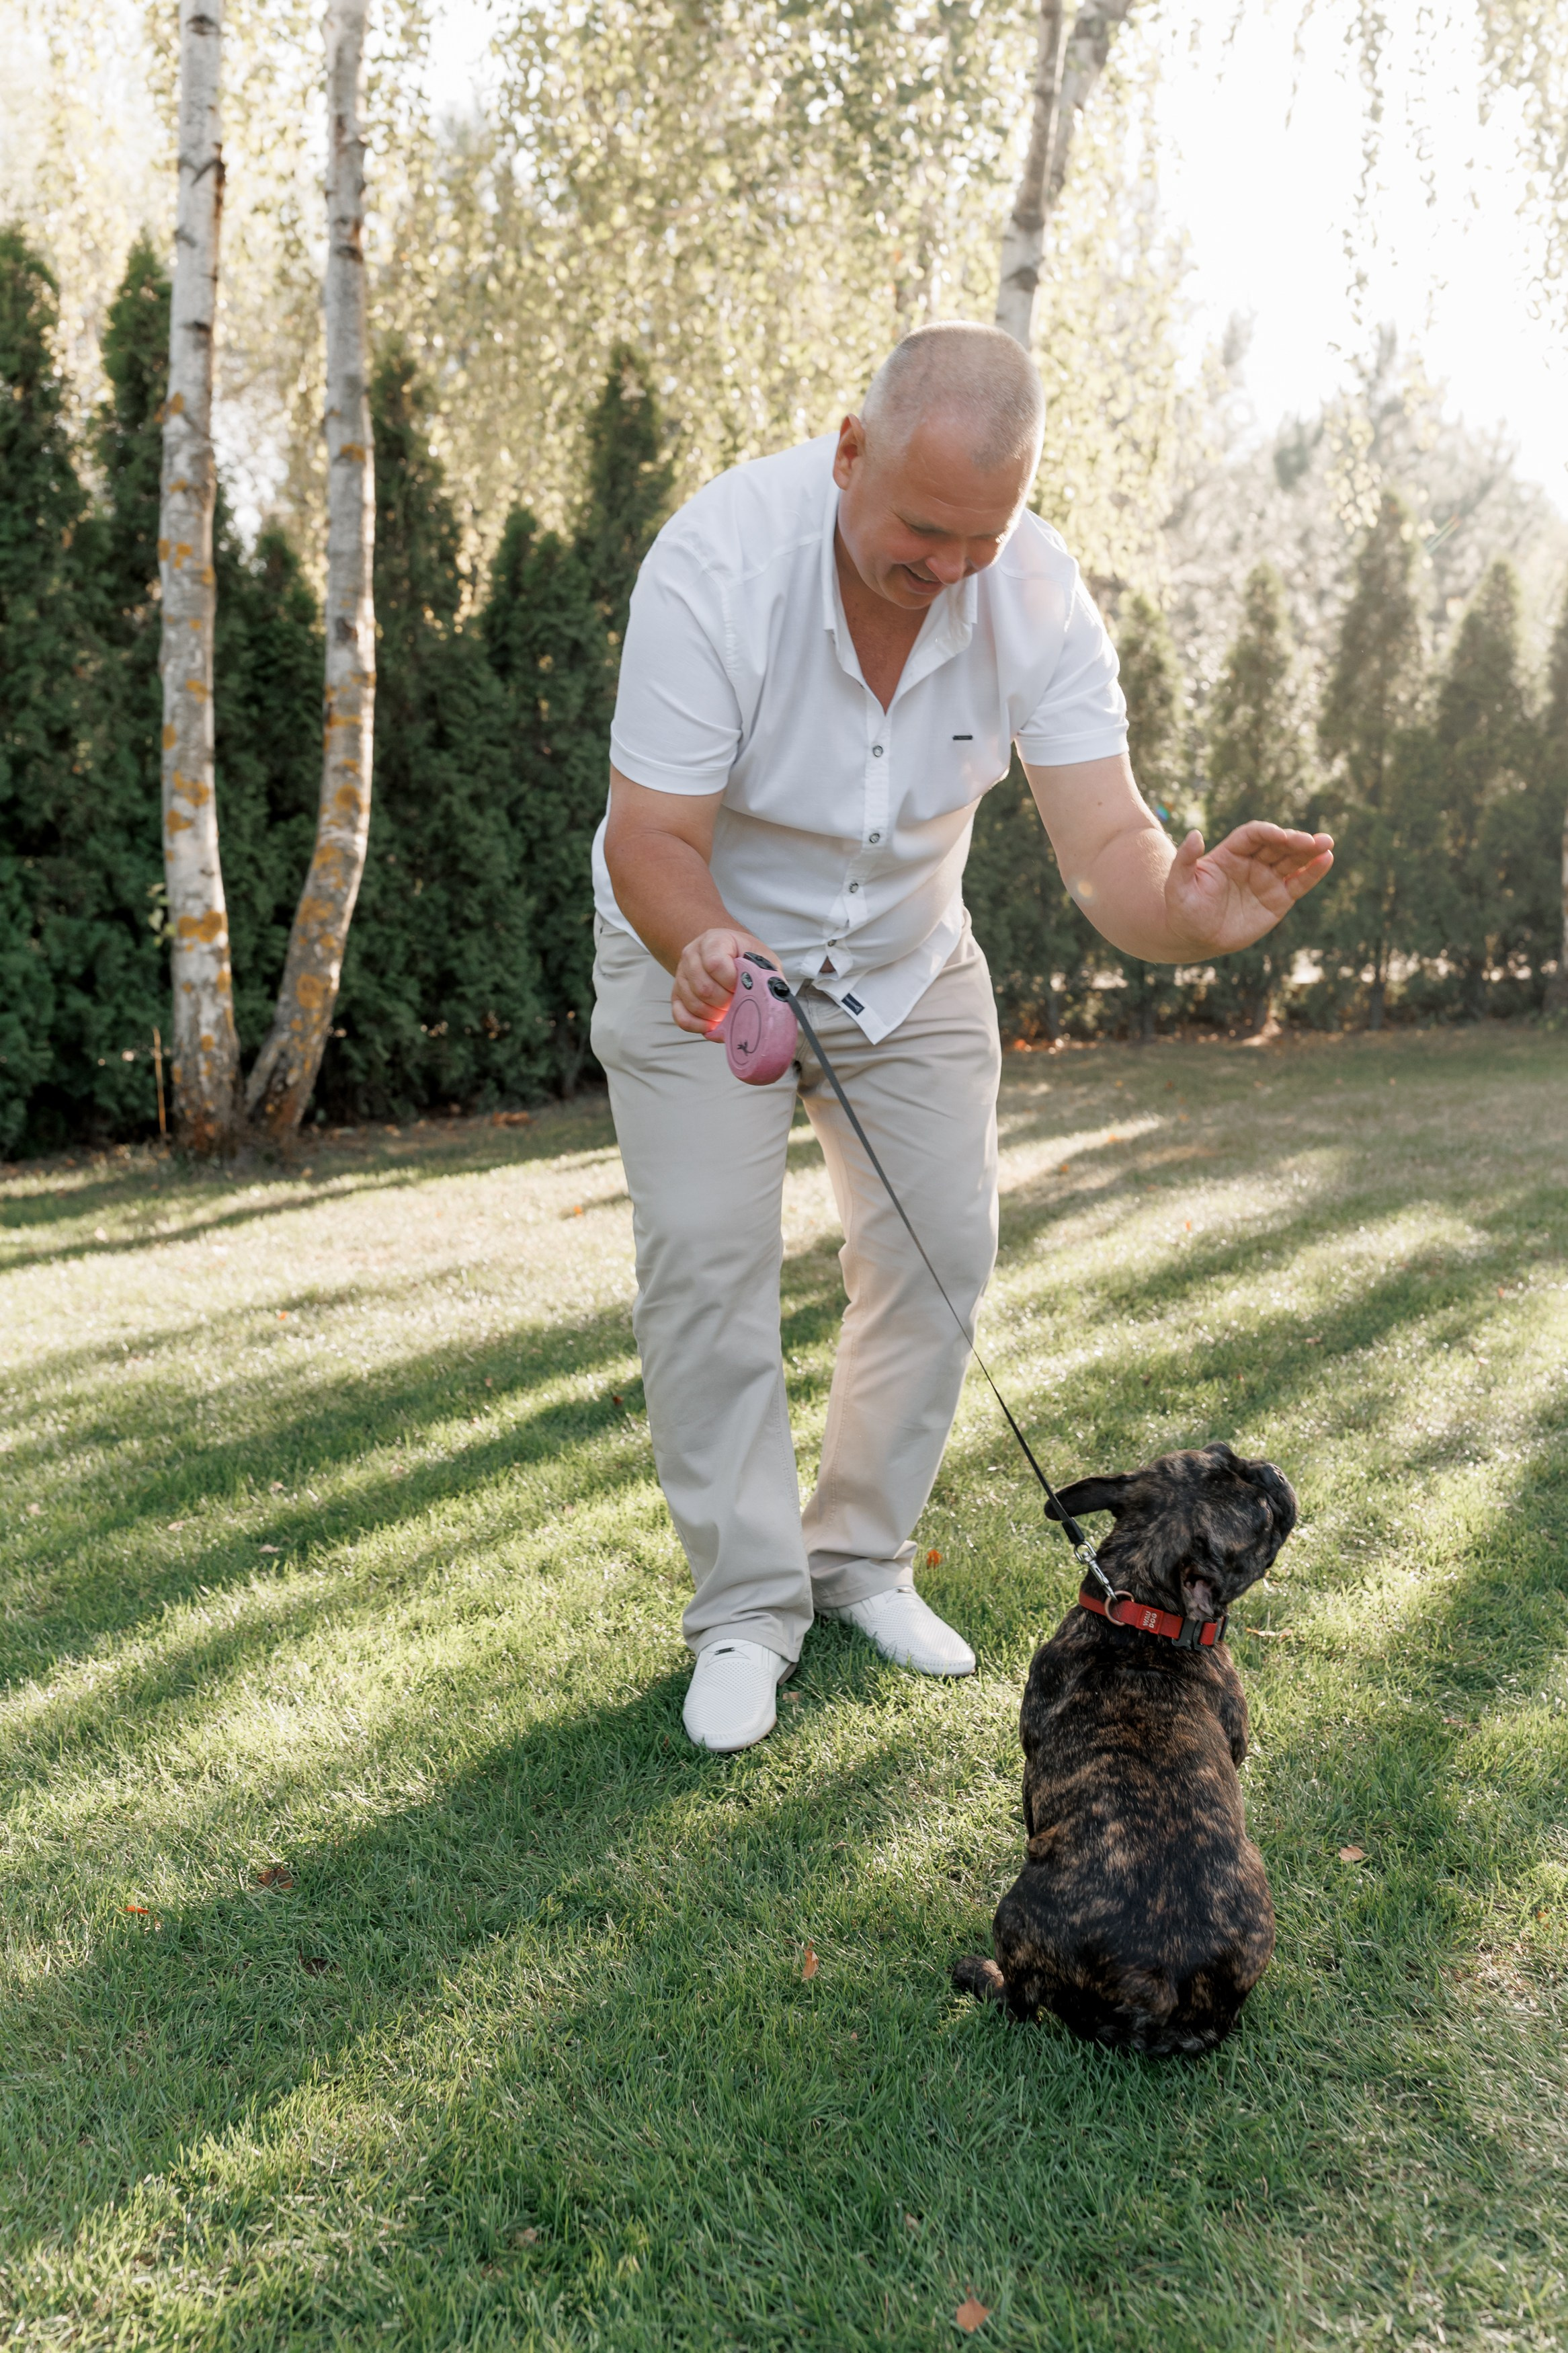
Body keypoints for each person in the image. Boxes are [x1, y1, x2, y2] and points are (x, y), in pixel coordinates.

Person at [590, 321, 1332, 1753]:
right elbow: (654, 835)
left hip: (903, 960)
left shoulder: (1037, 596)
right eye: (921, 535)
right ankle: (748, 1612)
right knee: (708, 1266)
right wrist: (703, 939)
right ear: (849, 450)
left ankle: (857, 1561)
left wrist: (1192, 911)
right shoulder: (719, 561)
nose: (945, 573)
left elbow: (1110, 844)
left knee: (942, 1252)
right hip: (707, 955)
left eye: (976, 543)